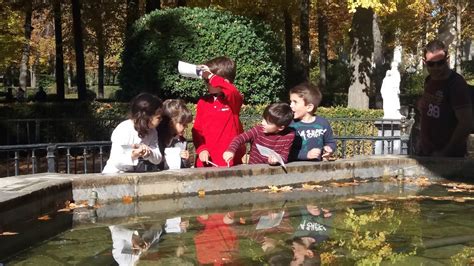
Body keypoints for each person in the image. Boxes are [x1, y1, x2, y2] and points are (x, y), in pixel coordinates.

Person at [417, 39, 473, 157]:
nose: (436, 67)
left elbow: (466, 123)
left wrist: (445, 153)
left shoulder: (456, 84)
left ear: (447, 60)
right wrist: (421, 141)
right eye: (431, 64)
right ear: (424, 62)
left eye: (440, 63)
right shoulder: (428, 81)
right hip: (427, 153)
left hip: (448, 157)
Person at [192, 56, 246, 167]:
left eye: (208, 80)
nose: (207, 82)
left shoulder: (233, 101)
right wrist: (202, 149)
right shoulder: (203, 102)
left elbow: (232, 91)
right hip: (207, 163)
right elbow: (197, 130)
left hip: (229, 162)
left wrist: (211, 76)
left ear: (223, 82)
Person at [102, 93, 163, 174]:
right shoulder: (124, 129)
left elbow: (158, 159)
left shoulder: (152, 131)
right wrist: (133, 155)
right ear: (147, 116)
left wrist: (149, 153)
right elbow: (116, 160)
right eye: (158, 117)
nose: (161, 120)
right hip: (114, 175)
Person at [223, 102, 295, 165]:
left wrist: (277, 160)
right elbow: (239, 138)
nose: (262, 123)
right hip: (254, 171)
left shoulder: (289, 136)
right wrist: (230, 150)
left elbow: (284, 157)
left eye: (268, 122)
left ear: (280, 128)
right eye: (263, 119)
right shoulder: (258, 130)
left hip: (273, 174)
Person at [289, 82, 336, 161]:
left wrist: (329, 149)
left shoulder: (323, 123)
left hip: (318, 168)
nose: (291, 105)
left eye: (295, 102)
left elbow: (330, 142)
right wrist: (306, 155)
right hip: (296, 169)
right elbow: (286, 151)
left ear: (309, 107)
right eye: (290, 101)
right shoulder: (290, 125)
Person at [157, 99, 193, 170]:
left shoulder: (181, 140)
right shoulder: (157, 138)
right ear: (171, 123)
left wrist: (185, 159)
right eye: (183, 124)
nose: (186, 127)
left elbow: (185, 166)